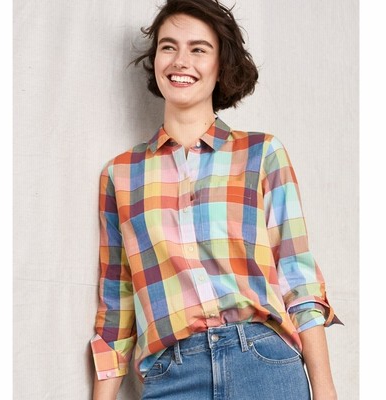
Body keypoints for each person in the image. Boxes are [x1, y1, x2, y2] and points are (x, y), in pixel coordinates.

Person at [90, 0, 342, 399]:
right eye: (168, 47)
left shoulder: (262, 154)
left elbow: (298, 280)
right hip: (172, 375)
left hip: (264, 364)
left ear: (221, 65)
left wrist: (325, 390)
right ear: (155, 60)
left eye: (198, 49)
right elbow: (117, 310)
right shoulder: (120, 175)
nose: (180, 61)